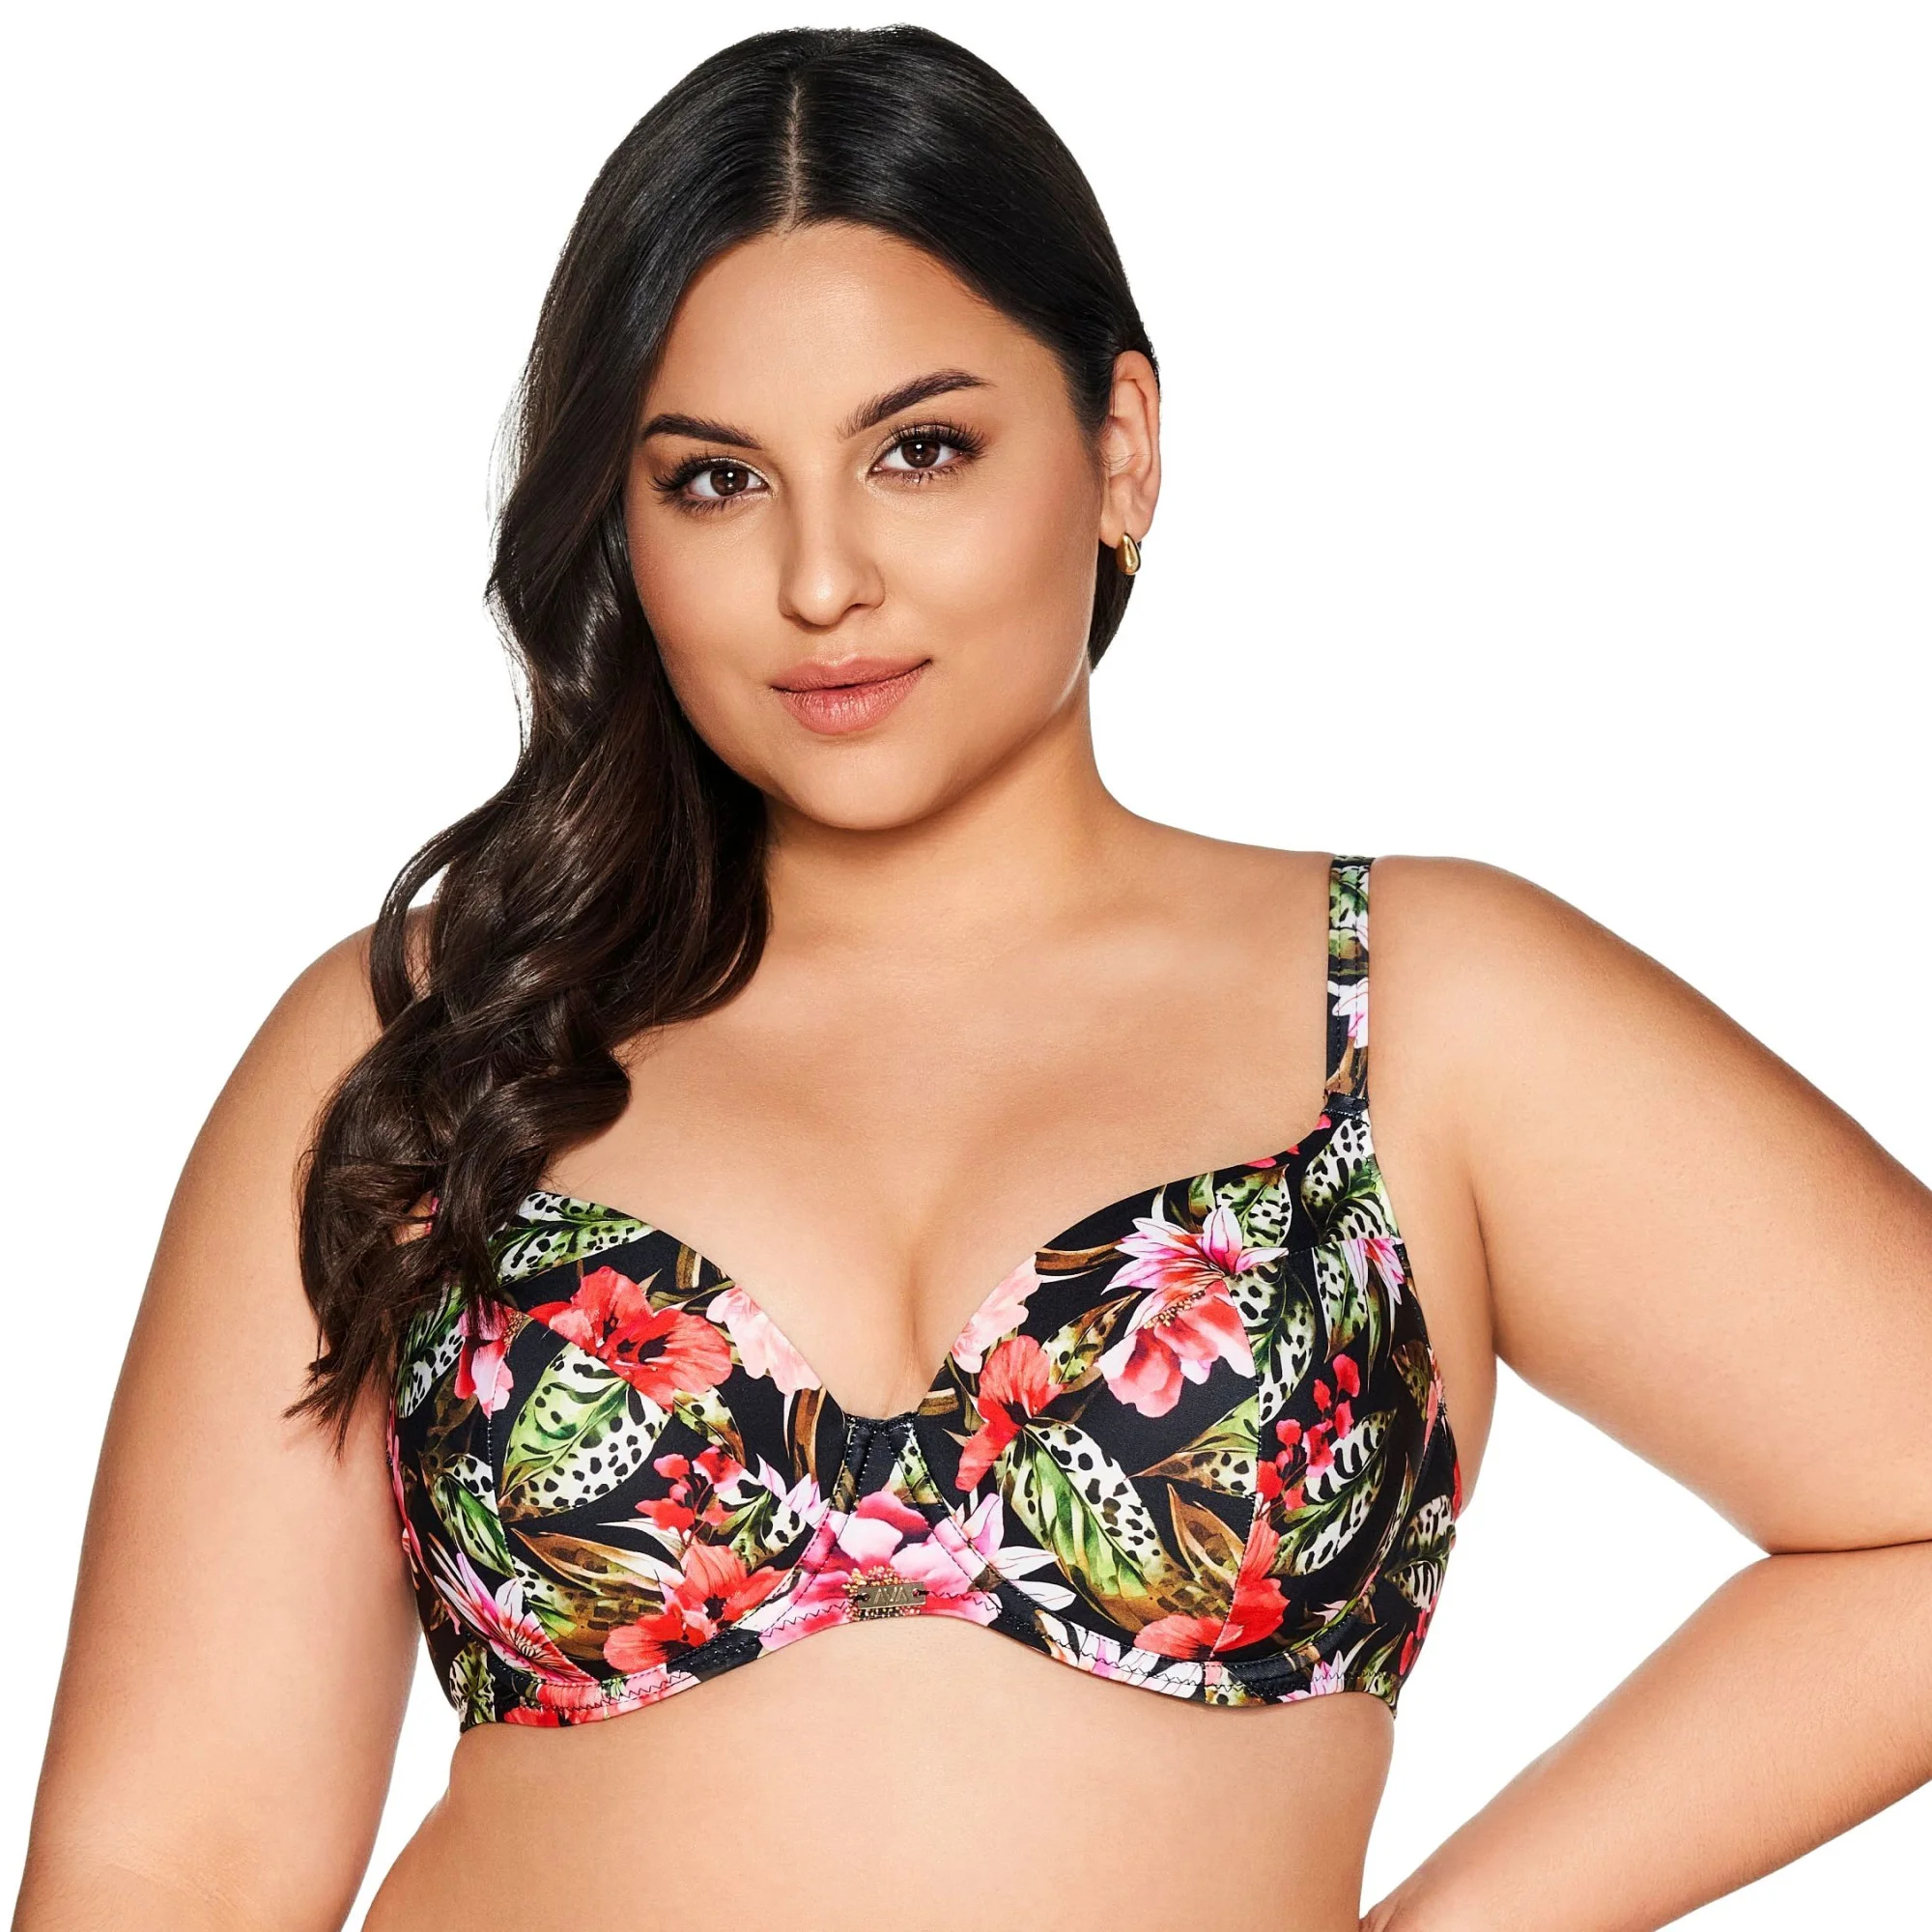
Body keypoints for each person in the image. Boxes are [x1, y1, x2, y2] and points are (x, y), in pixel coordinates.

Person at [15, 23, 1930, 1932]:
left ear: (1120, 448)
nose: (821, 578)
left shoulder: (1412, 1011)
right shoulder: (435, 1042)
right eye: (715, 481)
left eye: (919, 450)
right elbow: (173, 1862)